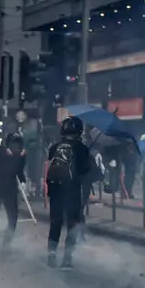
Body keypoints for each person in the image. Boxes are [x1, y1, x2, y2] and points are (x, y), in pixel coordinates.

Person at [45, 116, 93, 270]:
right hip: (72, 191)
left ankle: (51, 254)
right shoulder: (81, 148)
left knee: (55, 223)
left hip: (54, 190)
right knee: (72, 225)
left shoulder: (54, 147)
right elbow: (85, 171)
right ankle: (67, 259)